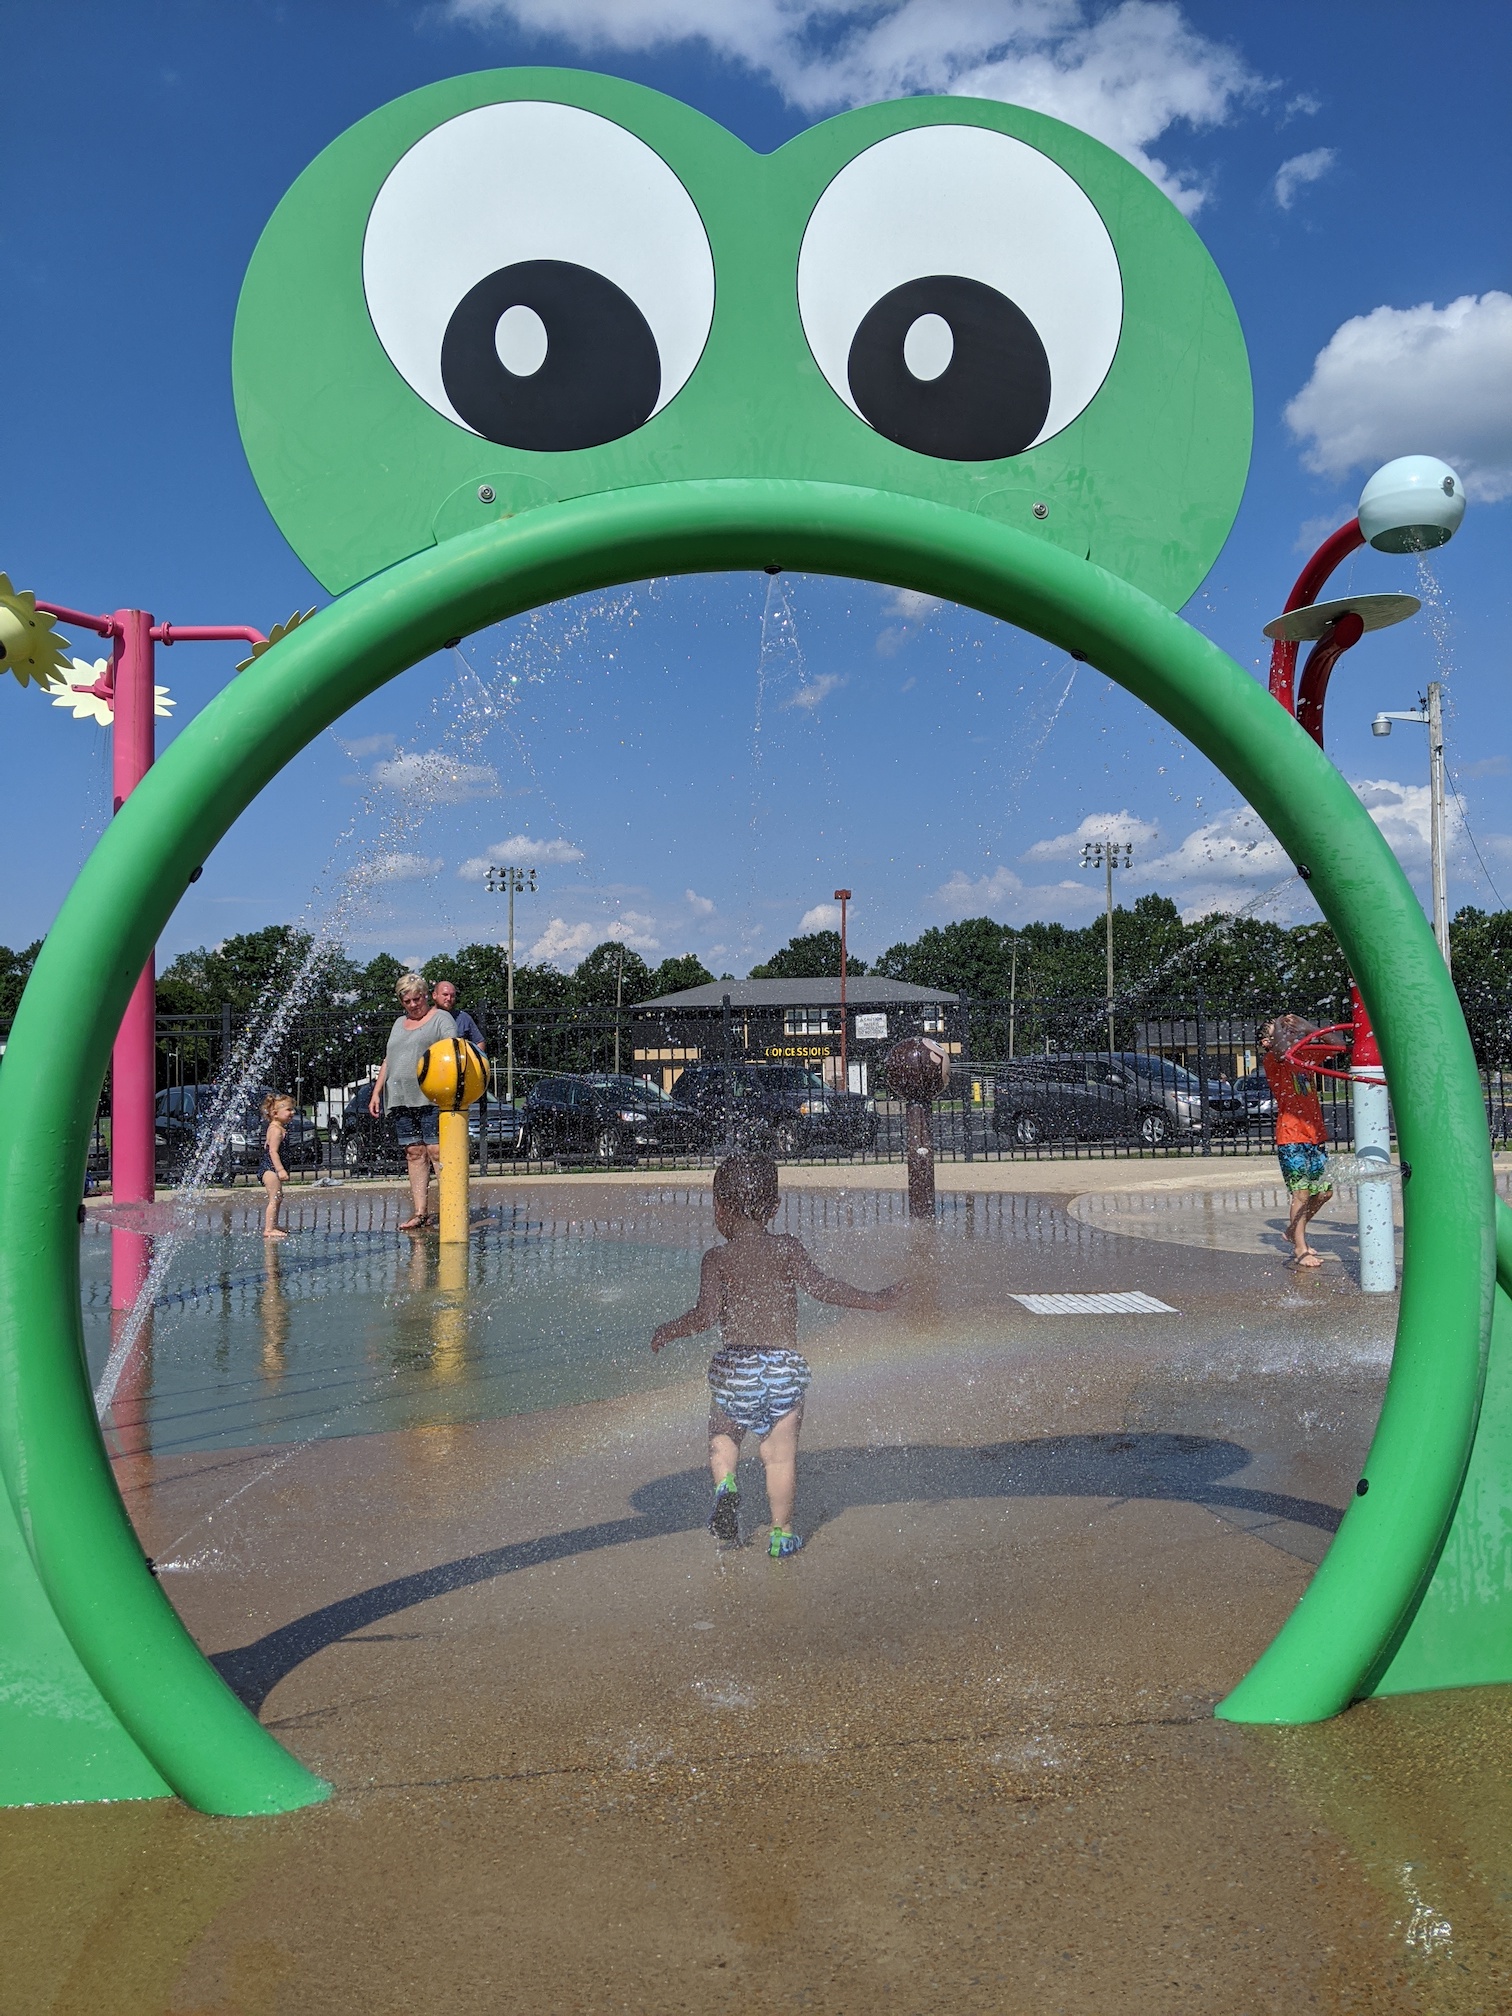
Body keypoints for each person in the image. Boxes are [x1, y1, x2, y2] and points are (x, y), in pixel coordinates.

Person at [650, 1153, 904, 1558]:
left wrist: (668, 1330)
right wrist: (876, 1300)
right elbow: (824, 1288)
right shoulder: (787, 1249)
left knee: (723, 1437)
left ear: (719, 1208)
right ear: (774, 1207)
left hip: (735, 1370)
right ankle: (781, 1532)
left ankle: (725, 1485)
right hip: (782, 1369)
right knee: (780, 1457)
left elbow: (704, 1316)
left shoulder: (716, 1259)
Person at [369, 973, 456, 1232]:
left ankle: (451, 1209)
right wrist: (376, 1092)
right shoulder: (398, 1023)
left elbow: (454, 1050)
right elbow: (389, 1059)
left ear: (426, 996)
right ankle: (420, 1213)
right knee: (414, 1153)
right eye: (406, 1001)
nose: (412, 1005)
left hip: (431, 1096)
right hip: (399, 1097)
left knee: (437, 1151)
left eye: (417, 999)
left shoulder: (441, 1019)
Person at [1260, 1014, 1334, 1267]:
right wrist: (1281, 1028)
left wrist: (1309, 1028)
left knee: (1324, 1193)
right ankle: (1300, 1248)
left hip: (1315, 1136)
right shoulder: (1274, 1060)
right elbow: (1281, 1050)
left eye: (1289, 1031)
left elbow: (1338, 1045)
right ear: (1266, 1042)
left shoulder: (1304, 1057)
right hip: (1291, 1137)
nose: (1289, 1034)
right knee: (1301, 1193)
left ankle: (1293, 1230)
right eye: (1280, 1032)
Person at [259, 1092, 295, 1242]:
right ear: (275, 1113)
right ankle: (269, 1229)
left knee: (278, 1197)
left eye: (292, 1109)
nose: (292, 1113)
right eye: (288, 1110)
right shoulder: (275, 1130)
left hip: (271, 1169)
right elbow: (273, 1151)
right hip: (270, 1169)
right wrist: (280, 1170)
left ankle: (274, 1225)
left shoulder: (278, 1127)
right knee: (274, 1198)